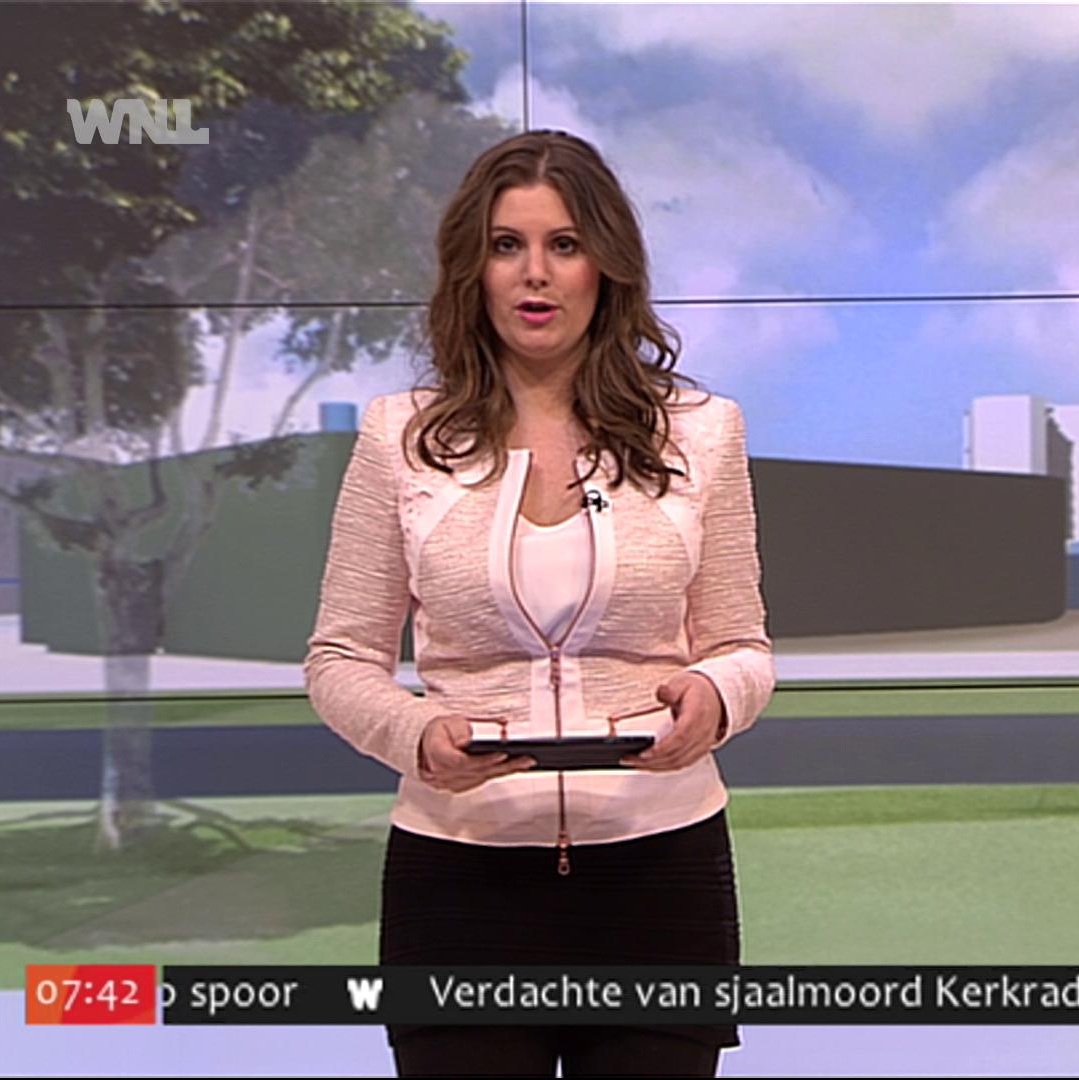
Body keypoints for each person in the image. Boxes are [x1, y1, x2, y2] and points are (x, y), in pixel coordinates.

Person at [304, 129, 774, 1077]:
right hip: (459, 876)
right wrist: (414, 734)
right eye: (506, 245)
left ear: (607, 265)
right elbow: (339, 660)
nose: (536, 274)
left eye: (564, 244)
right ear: (471, 270)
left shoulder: (700, 433)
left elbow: (741, 644)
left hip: (659, 871)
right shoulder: (401, 437)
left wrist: (715, 698)